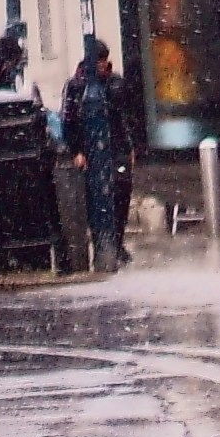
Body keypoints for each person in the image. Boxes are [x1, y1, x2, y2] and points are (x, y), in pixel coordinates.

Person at [62, 36, 137, 267]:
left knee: (121, 191)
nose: (102, 65)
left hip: (117, 147)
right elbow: (69, 120)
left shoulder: (116, 83)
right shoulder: (76, 86)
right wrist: (76, 150)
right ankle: (104, 241)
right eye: (99, 61)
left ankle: (116, 240)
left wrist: (130, 145)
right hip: (92, 150)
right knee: (97, 195)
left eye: (104, 61)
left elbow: (126, 117)